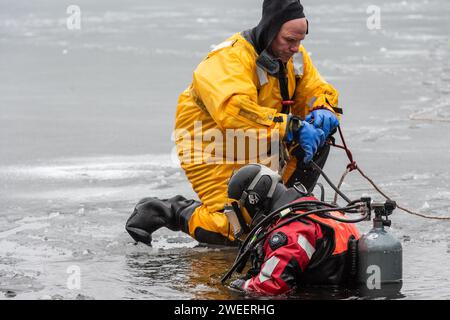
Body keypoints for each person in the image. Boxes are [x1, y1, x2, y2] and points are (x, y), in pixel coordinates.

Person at [126, 0, 341, 246]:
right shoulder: (229, 58)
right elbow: (234, 111)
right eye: (289, 40)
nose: (295, 48)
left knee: (273, 214)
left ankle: (285, 209)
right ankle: (169, 211)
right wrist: (291, 127)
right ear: (270, 30)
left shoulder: (294, 57)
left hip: (257, 138)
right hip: (211, 144)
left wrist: (324, 108)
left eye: (300, 41)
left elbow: (315, 89)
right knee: (238, 230)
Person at [225, 163, 360, 295]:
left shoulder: (290, 230)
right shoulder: (317, 211)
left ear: (253, 200)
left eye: (240, 210)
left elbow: (272, 285)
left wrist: (241, 286)